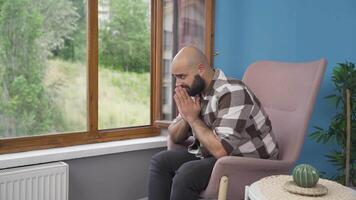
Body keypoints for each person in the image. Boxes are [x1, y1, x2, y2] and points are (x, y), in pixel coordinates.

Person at [148, 46, 279, 200]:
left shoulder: (232, 92)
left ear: (201, 69)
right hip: (217, 157)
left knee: (186, 174)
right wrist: (186, 115)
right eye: (176, 77)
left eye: (182, 76)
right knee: (161, 162)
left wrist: (193, 119)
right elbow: (174, 136)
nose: (178, 84)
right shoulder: (196, 91)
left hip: (250, 163)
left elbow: (222, 150)